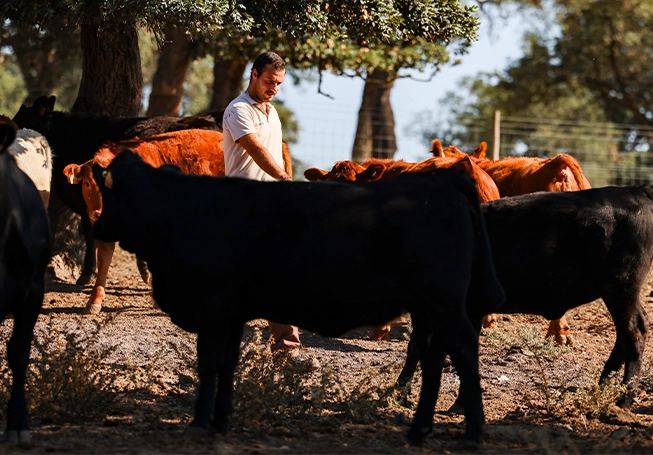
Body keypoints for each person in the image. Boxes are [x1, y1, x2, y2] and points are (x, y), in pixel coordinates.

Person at [222, 52, 318, 370]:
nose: (273, 88)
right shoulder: (238, 110)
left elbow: (274, 152)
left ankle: (286, 352)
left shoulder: (272, 112)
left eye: (278, 83)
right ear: (253, 74)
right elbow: (256, 150)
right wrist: (284, 177)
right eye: (268, 81)